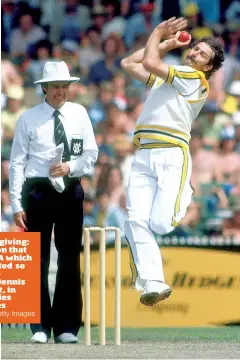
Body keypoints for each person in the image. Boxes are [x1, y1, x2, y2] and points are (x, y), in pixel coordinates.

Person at [121, 17, 224, 306]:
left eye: (202, 54)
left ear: (209, 68)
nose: (194, 53)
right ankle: (153, 282)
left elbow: (151, 64)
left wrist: (156, 34)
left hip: (171, 155)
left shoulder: (195, 79)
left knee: (162, 224)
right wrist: (165, 44)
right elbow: (129, 64)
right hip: (143, 155)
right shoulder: (174, 74)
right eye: (195, 49)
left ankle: (186, 190)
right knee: (135, 220)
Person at [9, 61, 98, 343]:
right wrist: (15, 204)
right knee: (37, 258)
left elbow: (91, 154)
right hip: (37, 190)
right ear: (44, 88)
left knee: (70, 257)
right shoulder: (28, 118)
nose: (60, 91)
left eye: (64, 86)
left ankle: (67, 327)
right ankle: (39, 327)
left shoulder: (80, 113)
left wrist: (71, 167)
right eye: (55, 87)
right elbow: (16, 164)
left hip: (70, 188)